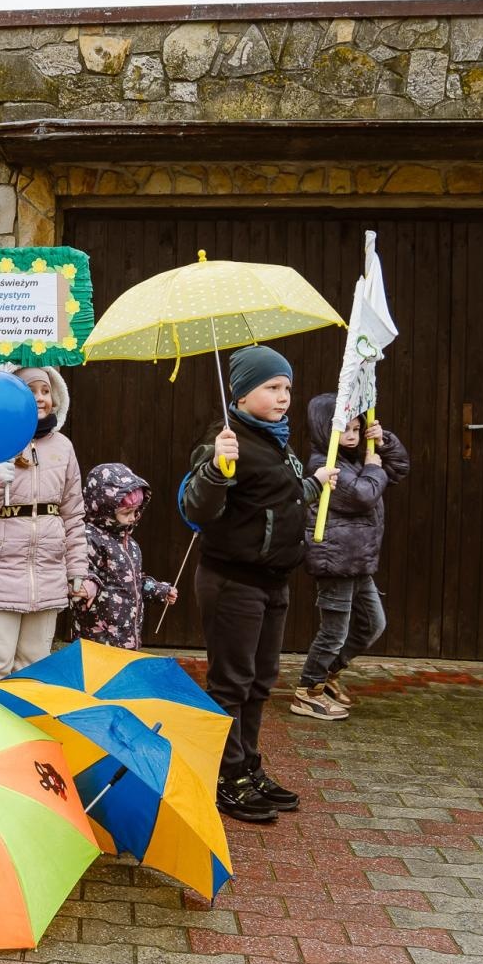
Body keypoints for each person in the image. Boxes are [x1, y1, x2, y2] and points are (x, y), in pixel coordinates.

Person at [181, 346, 338, 824]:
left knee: (261, 681)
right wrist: (214, 470)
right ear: (243, 392)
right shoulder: (225, 443)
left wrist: (312, 483)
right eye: (272, 387)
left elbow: (273, 499)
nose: (283, 396)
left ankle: (248, 765)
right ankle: (226, 777)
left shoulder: (276, 441)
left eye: (287, 387)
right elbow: (197, 510)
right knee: (231, 683)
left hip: (272, 581)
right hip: (233, 581)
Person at [0, 367, 89, 693]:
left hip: (47, 576)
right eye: (31, 390)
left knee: (35, 664)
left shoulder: (63, 447)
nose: (40, 398)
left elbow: (73, 514)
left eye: (46, 390)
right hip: (0, 573)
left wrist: (77, 570)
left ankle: (24, 734)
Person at [296, 394, 410, 718]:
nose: (352, 435)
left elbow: (399, 468)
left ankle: (327, 673)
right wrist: (374, 468)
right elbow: (362, 494)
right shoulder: (324, 464)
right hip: (337, 560)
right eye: (344, 428)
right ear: (325, 428)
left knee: (374, 623)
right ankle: (307, 689)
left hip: (358, 560)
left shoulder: (356, 459)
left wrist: (383, 442)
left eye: (357, 428)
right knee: (334, 631)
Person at [71, 463, 176, 651]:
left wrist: (159, 590)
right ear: (104, 509)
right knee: (98, 678)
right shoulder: (89, 537)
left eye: (136, 511)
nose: (132, 518)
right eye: (126, 513)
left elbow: (134, 581)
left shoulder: (130, 544)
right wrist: (88, 584)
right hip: (97, 636)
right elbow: (82, 569)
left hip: (127, 635)